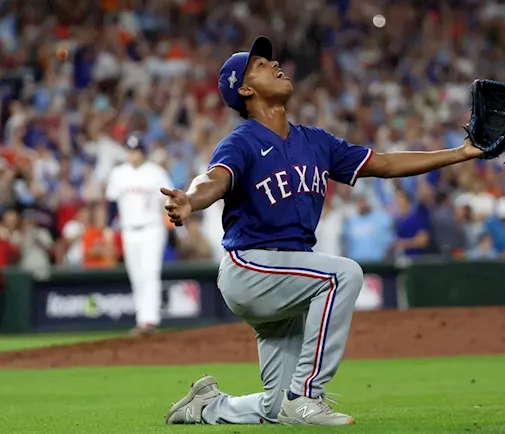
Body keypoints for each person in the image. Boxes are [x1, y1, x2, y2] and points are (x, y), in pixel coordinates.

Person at [162, 36, 484, 427]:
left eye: (272, 59)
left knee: (274, 407)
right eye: (261, 64)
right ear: (245, 89)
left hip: (290, 274)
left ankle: (209, 406)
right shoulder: (242, 141)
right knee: (342, 274)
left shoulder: (315, 141)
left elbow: (382, 163)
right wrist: (190, 201)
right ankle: (307, 394)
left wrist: (461, 153)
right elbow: (214, 180)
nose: (275, 63)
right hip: (251, 267)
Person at [105, 132, 174, 336]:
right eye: (130, 150)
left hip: (152, 228)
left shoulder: (155, 172)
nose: (133, 154)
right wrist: (109, 226)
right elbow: (111, 203)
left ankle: (149, 321)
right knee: (136, 276)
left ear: (143, 152)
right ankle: (141, 319)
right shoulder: (118, 173)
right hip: (128, 230)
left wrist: (170, 218)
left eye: (136, 150)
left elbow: (167, 199)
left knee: (150, 272)